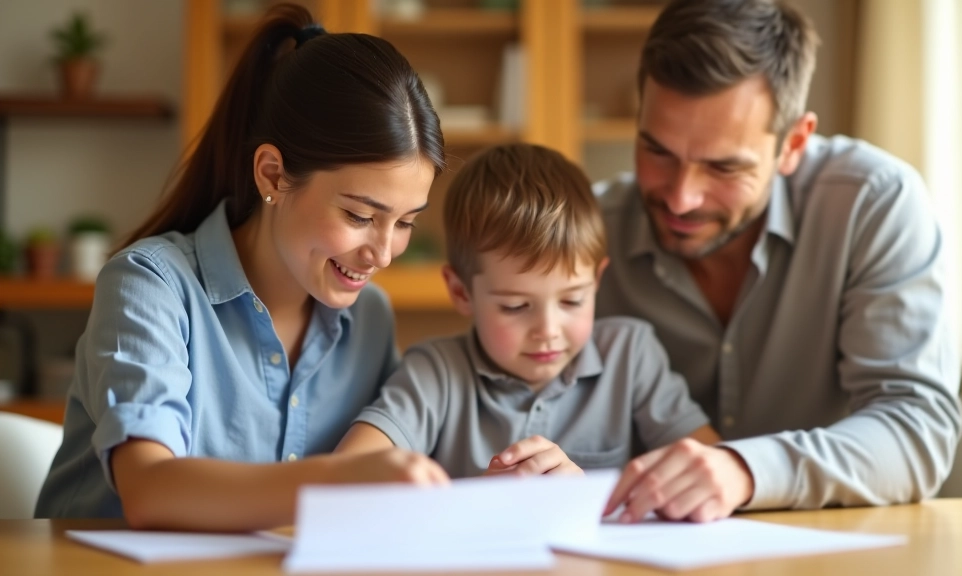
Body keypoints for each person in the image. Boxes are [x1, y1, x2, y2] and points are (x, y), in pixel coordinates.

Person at [34, 4, 450, 531]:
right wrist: (340, 481)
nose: (384, 253)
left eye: (406, 222)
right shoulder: (148, 285)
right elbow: (149, 488)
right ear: (273, 175)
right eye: (360, 215)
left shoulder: (370, 317)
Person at [597, 0, 962, 524]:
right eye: (657, 151)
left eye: (723, 166)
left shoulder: (872, 203)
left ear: (793, 143)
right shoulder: (588, 231)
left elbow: (915, 429)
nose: (681, 198)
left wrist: (742, 469)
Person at [335, 143, 720, 477]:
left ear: (597, 281)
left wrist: (589, 498)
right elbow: (345, 477)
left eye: (572, 300)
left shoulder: (631, 355)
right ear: (461, 291)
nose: (548, 329)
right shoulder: (436, 373)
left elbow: (709, 465)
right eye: (516, 306)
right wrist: (476, 502)